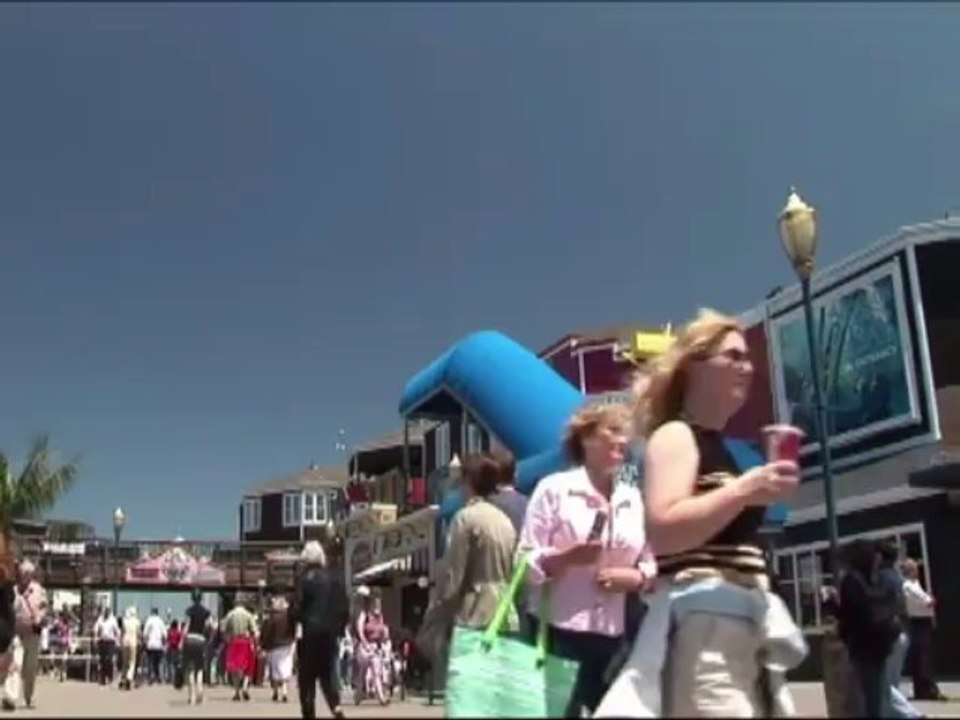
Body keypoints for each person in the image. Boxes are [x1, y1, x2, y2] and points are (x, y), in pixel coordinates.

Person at [597, 308, 805, 718]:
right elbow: (664, 530)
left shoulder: (718, 448)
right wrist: (746, 489)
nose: (746, 367)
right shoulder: (676, 436)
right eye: (732, 356)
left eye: (747, 357)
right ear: (694, 366)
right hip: (706, 630)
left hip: (738, 627)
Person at [518, 402, 655, 718]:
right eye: (614, 431)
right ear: (587, 438)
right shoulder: (554, 490)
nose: (623, 441)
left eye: (626, 434)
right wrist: (566, 558)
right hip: (558, 635)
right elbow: (523, 562)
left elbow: (651, 560)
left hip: (615, 639)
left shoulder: (632, 499)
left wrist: (636, 579)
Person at [838, 539, 900, 718]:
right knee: (875, 692)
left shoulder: (851, 581)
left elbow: (850, 614)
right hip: (881, 641)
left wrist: (831, 604)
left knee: (862, 695)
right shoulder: (878, 578)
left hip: (861, 644)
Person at [293, 540, 349, 720]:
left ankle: (309, 713)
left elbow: (296, 607)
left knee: (307, 679)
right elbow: (344, 608)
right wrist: (339, 630)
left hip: (310, 634)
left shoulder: (304, 578)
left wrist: (296, 619)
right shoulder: (336, 578)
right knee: (327, 674)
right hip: (329, 635)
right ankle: (336, 706)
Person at [876, 542, 921, 718]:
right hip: (901, 633)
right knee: (891, 683)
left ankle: (912, 716)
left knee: (882, 684)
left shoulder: (882, 578)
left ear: (879, 557)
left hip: (890, 634)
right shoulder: (897, 578)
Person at [902, 558, 944, 702]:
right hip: (918, 622)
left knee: (921, 656)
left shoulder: (915, 584)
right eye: (915, 569)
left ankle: (922, 688)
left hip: (920, 622)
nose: (917, 571)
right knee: (922, 657)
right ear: (911, 571)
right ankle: (926, 689)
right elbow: (927, 602)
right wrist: (930, 600)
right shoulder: (909, 586)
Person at [6, 560, 47, 709]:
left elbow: (44, 607)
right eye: (22, 572)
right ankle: (10, 697)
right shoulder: (14, 590)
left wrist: (39, 617)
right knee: (15, 663)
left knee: (30, 669)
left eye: (26, 573)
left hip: (33, 633)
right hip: (17, 632)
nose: (23, 575)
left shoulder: (38, 590)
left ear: (31, 575)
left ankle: (29, 697)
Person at [222, 595, 258, 701]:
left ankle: (237, 691)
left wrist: (227, 639)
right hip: (245, 642)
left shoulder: (230, 614)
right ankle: (245, 686)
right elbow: (255, 631)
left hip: (234, 642)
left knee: (234, 668)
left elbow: (223, 629)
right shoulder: (248, 615)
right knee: (248, 667)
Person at [261, 594, 296, 703]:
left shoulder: (271, 618)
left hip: (274, 646)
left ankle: (276, 692)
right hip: (287, 645)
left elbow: (266, 634)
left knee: (275, 670)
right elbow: (294, 631)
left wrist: (263, 646)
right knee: (285, 668)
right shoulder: (290, 617)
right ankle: (284, 691)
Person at [182, 590, 211, 705]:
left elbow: (186, 626)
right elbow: (210, 626)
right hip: (200, 640)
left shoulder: (189, 611)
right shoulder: (206, 612)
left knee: (190, 669)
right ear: (201, 598)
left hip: (189, 639)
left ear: (192, 598)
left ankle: (191, 696)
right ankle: (200, 692)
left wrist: (182, 641)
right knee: (199, 668)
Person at [93, 607, 121, 686]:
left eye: (108, 611)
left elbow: (117, 631)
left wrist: (118, 641)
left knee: (109, 659)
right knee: (102, 660)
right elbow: (96, 628)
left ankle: (110, 676)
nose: (106, 613)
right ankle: (102, 678)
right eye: (105, 611)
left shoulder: (113, 620)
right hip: (102, 641)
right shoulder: (100, 619)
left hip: (110, 642)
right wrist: (96, 637)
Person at [142, 607, 166, 685]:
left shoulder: (149, 620)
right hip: (158, 645)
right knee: (158, 662)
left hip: (150, 644)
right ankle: (158, 677)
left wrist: (145, 642)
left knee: (150, 662)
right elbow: (164, 634)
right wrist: (164, 643)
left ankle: (150, 677)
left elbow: (145, 633)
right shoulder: (160, 621)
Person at [119, 606, 140, 691]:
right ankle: (129, 678)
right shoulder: (137, 622)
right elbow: (138, 633)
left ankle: (123, 679)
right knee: (132, 662)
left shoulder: (125, 621)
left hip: (125, 642)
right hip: (133, 643)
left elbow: (122, 632)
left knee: (124, 662)